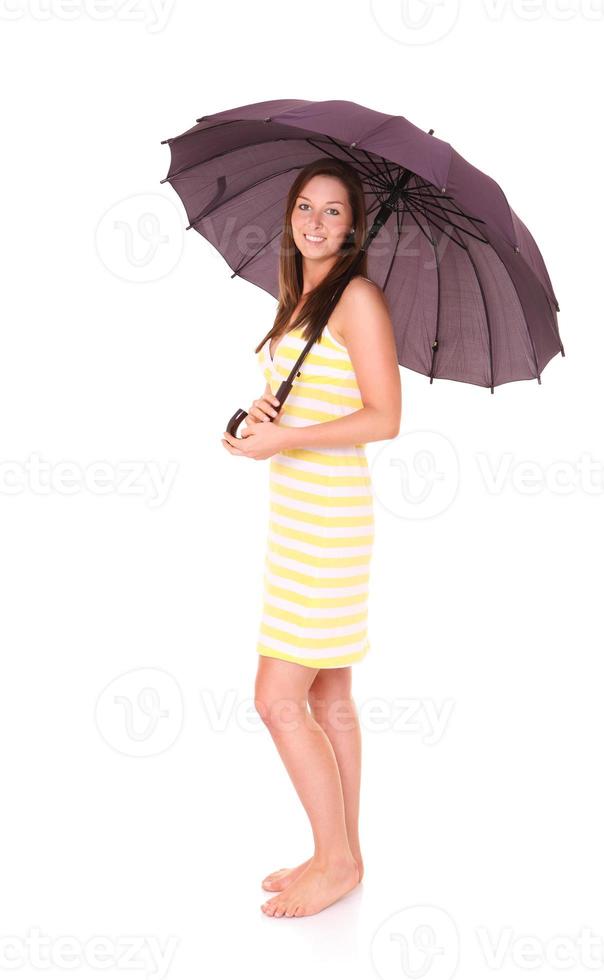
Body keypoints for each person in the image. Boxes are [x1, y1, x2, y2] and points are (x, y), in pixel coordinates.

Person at [221, 158, 401, 917]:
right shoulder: (299, 301)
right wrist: (254, 425)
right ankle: (343, 853)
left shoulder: (357, 299)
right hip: (295, 517)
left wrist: (290, 438)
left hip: (329, 521)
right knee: (328, 694)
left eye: (333, 212)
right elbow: (296, 400)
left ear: (355, 227)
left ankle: (335, 858)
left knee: (276, 698)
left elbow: (383, 418)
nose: (316, 222)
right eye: (305, 207)